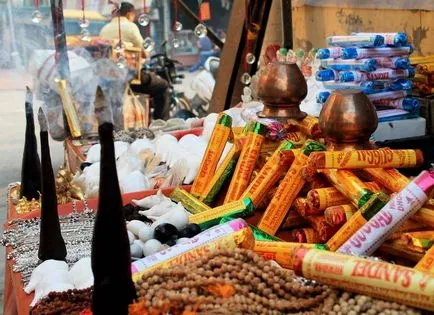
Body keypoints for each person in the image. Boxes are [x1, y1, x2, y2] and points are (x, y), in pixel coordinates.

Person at [100, 2, 170, 120]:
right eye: (134, 16)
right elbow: (144, 51)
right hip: (130, 77)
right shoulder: (130, 26)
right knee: (162, 86)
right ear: (129, 14)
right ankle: (161, 124)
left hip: (109, 77)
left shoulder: (104, 29)